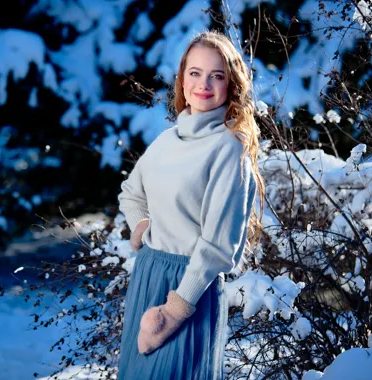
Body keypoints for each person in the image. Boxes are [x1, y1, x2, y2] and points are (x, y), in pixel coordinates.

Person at [116, 30, 264, 379]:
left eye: (217, 75)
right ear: (182, 81)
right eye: (195, 73)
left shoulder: (230, 149)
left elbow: (217, 246)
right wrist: (142, 225)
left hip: (189, 288)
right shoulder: (167, 140)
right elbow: (131, 192)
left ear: (232, 85)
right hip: (149, 273)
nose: (204, 84)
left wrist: (174, 312)